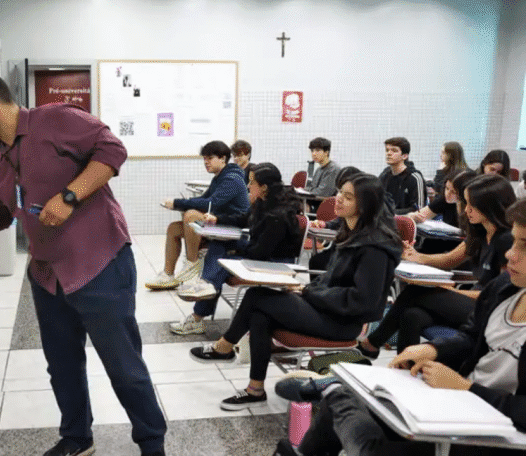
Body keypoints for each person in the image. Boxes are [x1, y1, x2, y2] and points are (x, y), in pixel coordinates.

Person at [0, 72, 166, 456]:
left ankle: (151, 443)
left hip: (99, 265)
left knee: (123, 365)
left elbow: (113, 150)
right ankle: (77, 438)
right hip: (48, 277)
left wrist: (69, 196)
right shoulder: (1, 162)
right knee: (62, 366)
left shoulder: (55, 120)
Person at [274, 197, 526, 456]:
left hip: (495, 428)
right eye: (514, 242)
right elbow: (471, 337)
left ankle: (337, 391)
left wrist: (466, 387)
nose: (510, 254)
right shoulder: (504, 289)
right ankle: (340, 393)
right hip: (461, 405)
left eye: (524, 245)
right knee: (366, 394)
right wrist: (434, 350)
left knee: (369, 442)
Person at [189, 173, 402, 411]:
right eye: (340, 192)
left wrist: (310, 293)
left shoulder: (374, 249)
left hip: (343, 322)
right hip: (326, 308)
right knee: (260, 314)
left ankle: (225, 346)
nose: (339, 199)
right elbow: (330, 280)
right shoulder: (351, 233)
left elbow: (361, 300)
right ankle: (254, 389)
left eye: (348, 197)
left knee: (257, 296)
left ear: (365, 206)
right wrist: (305, 290)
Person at [359, 173, 516, 356]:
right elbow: (449, 259)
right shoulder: (480, 232)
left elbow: (500, 295)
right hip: (473, 302)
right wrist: (417, 256)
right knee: (412, 315)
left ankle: (372, 343)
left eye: (472, 205)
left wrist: (451, 291)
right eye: (466, 203)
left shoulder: (507, 241)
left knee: (415, 291)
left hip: (490, 309)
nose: (466, 210)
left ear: (490, 206)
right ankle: (405, 365)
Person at [169, 163, 303, 335]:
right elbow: (244, 219)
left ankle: (202, 300)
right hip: (261, 249)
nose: (248, 186)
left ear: (264, 188)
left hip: (275, 261)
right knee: (218, 243)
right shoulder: (264, 202)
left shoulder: (278, 216)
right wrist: (217, 219)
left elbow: (259, 253)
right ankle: (206, 286)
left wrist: (234, 253)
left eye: (252, 182)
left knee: (221, 262)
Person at [146, 141, 249, 290]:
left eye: (210, 158)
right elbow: (204, 199)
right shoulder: (220, 177)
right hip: (219, 222)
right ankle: (168, 275)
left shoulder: (232, 179)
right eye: (204, 158)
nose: (206, 162)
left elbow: (210, 203)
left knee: (191, 215)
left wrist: (177, 203)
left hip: (234, 227)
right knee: (173, 229)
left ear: (223, 158)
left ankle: (191, 263)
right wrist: (179, 204)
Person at [379, 136, 426, 214]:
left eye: (394, 151)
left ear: (404, 156)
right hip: (388, 218)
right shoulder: (384, 174)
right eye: (387, 150)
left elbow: (419, 210)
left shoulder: (414, 177)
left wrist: (391, 213)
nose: (389, 153)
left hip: (406, 219)